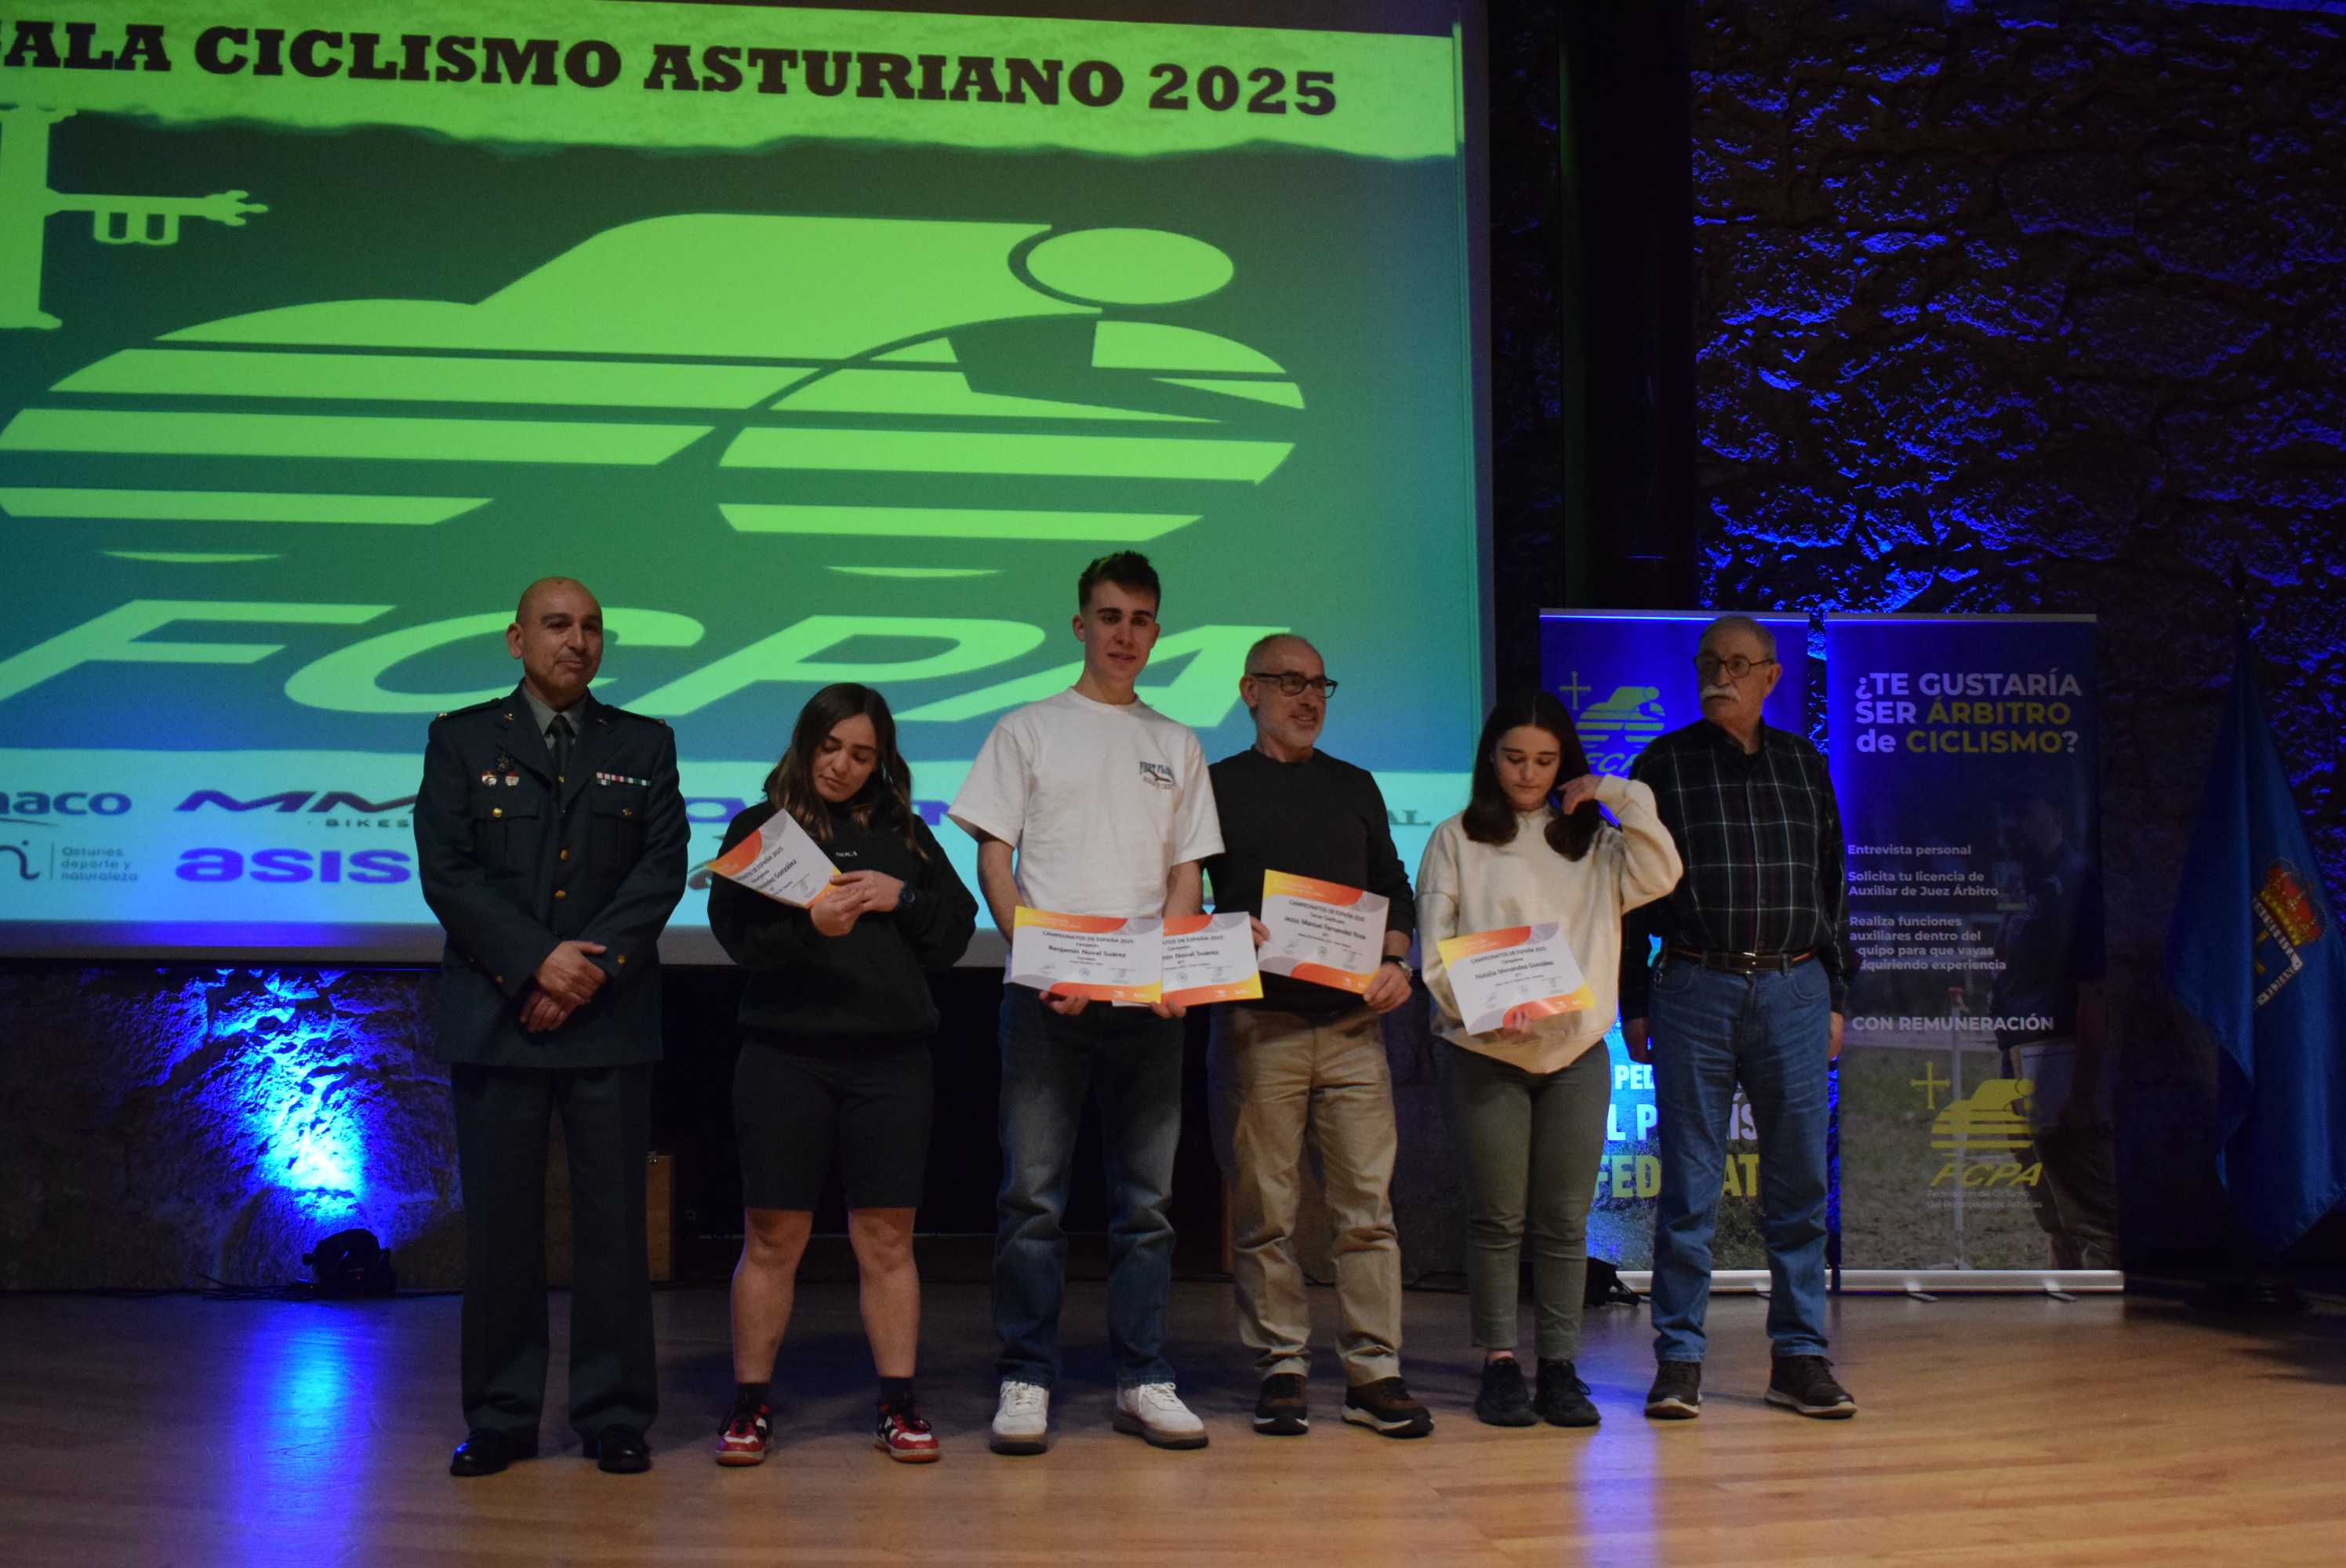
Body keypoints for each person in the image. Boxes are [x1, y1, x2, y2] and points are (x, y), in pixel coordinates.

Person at [948, 550, 1224, 1455]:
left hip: (1146, 1005)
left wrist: (1169, 971)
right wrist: (1040, 956)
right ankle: (1025, 1374)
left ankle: (1143, 1376)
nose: (1125, 634)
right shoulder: (1027, 728)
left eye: (1141, 618)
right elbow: (995, 855)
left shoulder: (1177, 741)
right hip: (1046, 1000)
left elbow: (1186, 870)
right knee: (1031, 1197)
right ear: (1079, 625)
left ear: (1156, 629)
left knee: (1146, 1203)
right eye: (1109, 616)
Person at [413, 576, 688, 1476]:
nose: (578, 641)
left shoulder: (643, 744)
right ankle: (500, 1415)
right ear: (515, 638)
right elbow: (449, 872)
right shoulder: (459, 739)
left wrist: (585, 970)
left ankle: (612, 1412)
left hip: (605, 1020)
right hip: (501, 1018)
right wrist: (537, 962)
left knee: (615, 1232)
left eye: (592, 627)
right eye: (558, 625)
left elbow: (660, 869)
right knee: (500, 1230)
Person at [707, 684, 978, 1467]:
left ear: (881, 760)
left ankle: (899, 1403)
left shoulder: (906, 836)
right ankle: (750, 1406)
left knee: (887, 1238)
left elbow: (953, 933)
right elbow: (737, 937)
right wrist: (807, 925)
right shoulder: (761, 831)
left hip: (890, 1062)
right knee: (773, 1234)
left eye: (862, 754)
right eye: (831, 746)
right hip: (783, 1057)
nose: (842, 764)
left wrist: (904, 896)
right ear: (806, 743)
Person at [1619, 614, 1860, 1421]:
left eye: (1739, 663)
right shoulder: (1662, 764)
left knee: (1798, 1183)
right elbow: (1628, 895)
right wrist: (1634, 1000)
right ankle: (1679, 1359)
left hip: (1794, 988)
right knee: (1687, 1183)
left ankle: (1799, 1357)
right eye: (1710, 662)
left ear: (1771, 676)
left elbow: (1833, 884)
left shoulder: (1804, 764)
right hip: (1693, 986)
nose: (1722, 673)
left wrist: (1835, 992)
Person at [1418, 691, 1681, 1429]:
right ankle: (1500, 1364)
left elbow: (1663, 872)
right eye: (1513, 758)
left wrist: (1615, 792)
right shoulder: (1455, 838)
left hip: (1575, 1050)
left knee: (1565, 1221)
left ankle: (1560, 1367)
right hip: (1485, 1047)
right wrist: (1485, 1005)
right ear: (1490, 759)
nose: (1528, 774)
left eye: (1545, 760)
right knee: (1497, 1218)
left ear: (1566, 762)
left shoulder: (1594, 845)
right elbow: (1433, 946)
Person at [1202, 634, 1429, 1439]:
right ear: (1248, 690)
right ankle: (1282, 1367)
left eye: (1319, 683)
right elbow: (1177, 898)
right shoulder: (1214, 785)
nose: (1307, 697)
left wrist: (1398, 957)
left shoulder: (1354, 784)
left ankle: (1373, 1371)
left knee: (1367, 1207)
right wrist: (1222, 928)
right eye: (1288, 682)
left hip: (1352, 1024)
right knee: (1266, 1207)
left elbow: (1392, 889)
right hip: (1258, 1023)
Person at [1991, 793, 2118, 1270]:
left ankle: (2105, 1317)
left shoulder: (2077, 881)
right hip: (2017, 1052)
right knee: (2048, 1202)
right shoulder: (2021, 878)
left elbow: (2094, 989)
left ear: (2056, 814)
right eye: (2009, 814)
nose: (2012, 824)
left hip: (2059, 1057)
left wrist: (2083, 1092)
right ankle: (2065, 1296)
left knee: (2088, 1204)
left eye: (2023, 810)